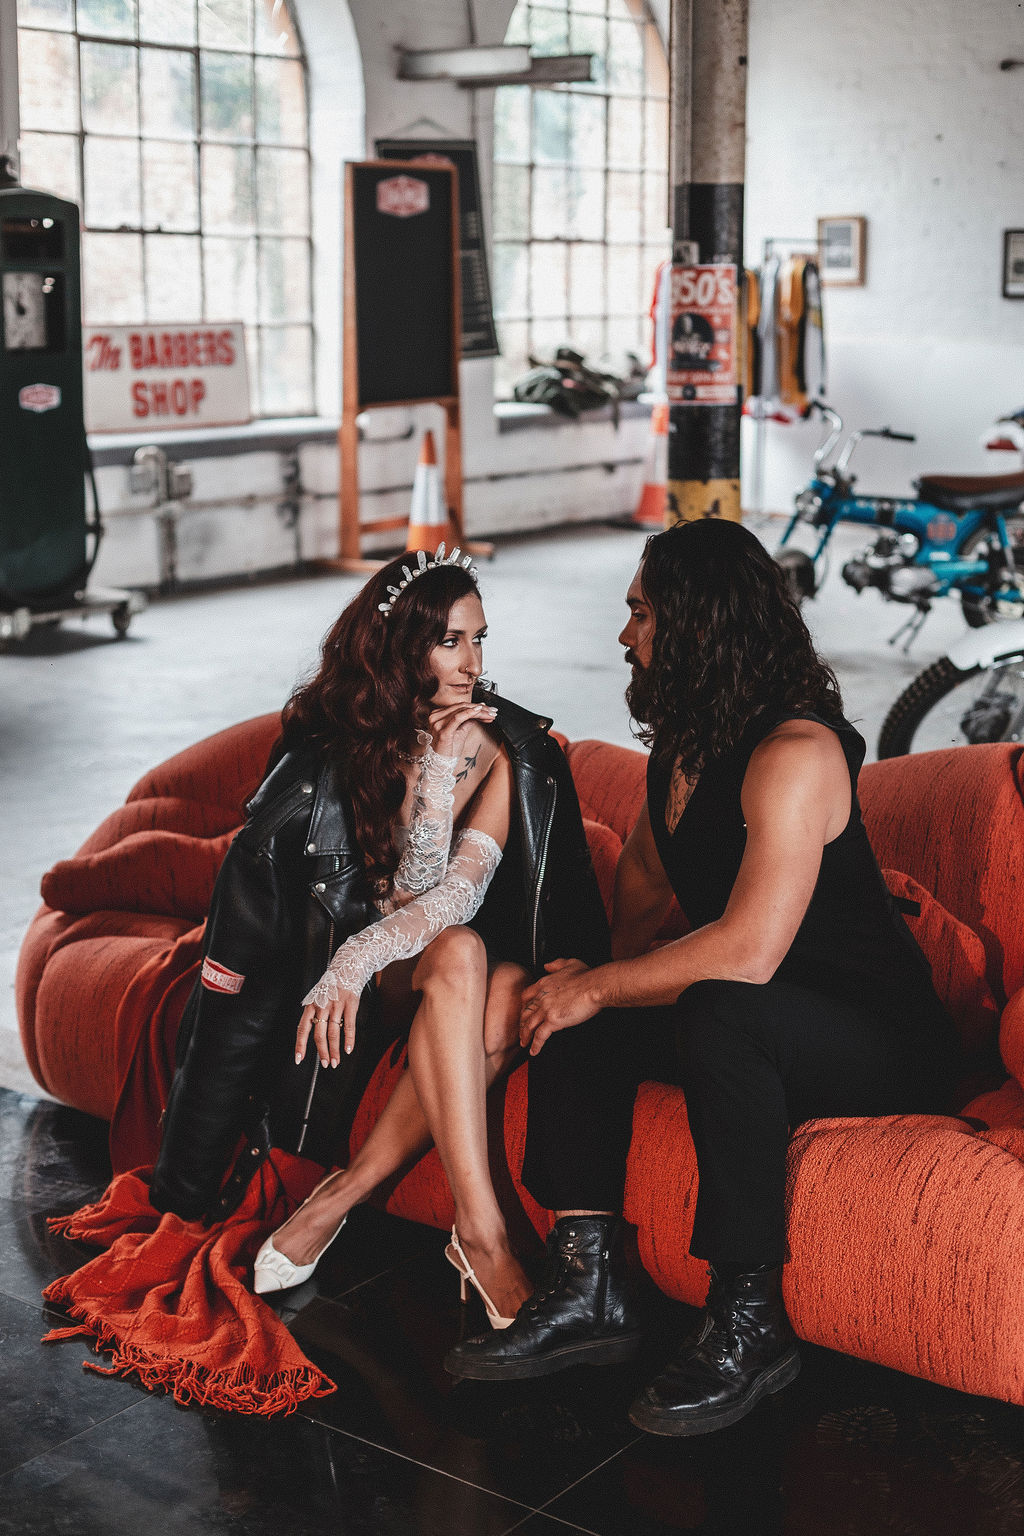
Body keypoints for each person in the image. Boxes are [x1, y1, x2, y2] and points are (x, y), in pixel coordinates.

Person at [445, 518, 958, 1437]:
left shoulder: (797, 753)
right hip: (762, 1022)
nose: (624, 635)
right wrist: (582, 986)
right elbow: (643, 884)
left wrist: (602, 987)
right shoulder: (685, 746)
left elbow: (749, 950)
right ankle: (591, 1279)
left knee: (713, 1005)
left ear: (698, 624)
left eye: (640, 613)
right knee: (581, 993)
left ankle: (751, 1322)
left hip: (878, 1039)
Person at [150, 546, 609, 1329]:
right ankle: (483, 1239)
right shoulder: (337, 737)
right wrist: (346, 961)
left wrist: (442, 776)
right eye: (452, 641)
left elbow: (450, 898)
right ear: (405, 647)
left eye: (481, 638)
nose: (474, 662)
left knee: (489, 979)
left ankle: (380, 1204)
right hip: (369, 980)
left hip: (432, 961)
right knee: (466, 964)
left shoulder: (504, 748)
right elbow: (308, 908)